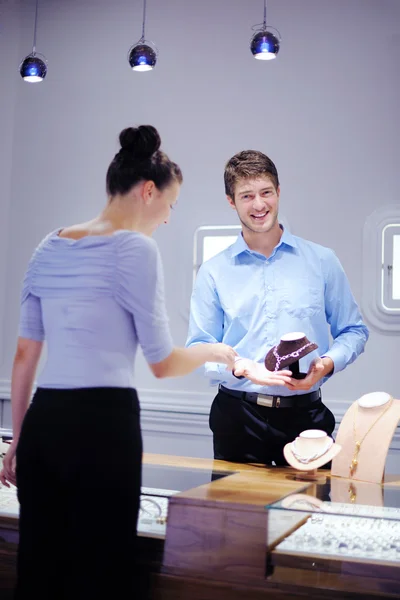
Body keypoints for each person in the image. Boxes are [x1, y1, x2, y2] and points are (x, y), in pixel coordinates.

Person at [0, 125, 236, 600]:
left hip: (45, 422)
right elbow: (162, 363)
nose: (168, 218)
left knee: (39, 569)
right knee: (101, 570)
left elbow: (26, 356)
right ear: (148, 192)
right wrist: (216, 351)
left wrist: (17, 441)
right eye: (170, 204)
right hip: (103, 426)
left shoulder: (50, 245)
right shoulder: (136, 249)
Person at [186, 149, 369, 466]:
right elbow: (200, 347)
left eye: (266, 192)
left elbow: (354, 330)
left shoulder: (322, 261)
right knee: (237, 517)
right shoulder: (213, 271)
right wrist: (241, 366)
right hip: (237, 418)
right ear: (231, 201)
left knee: (310, 514)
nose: (259, 205)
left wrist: (325, 365)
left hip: (307, 419)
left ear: (279, 192)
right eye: (246, 196)